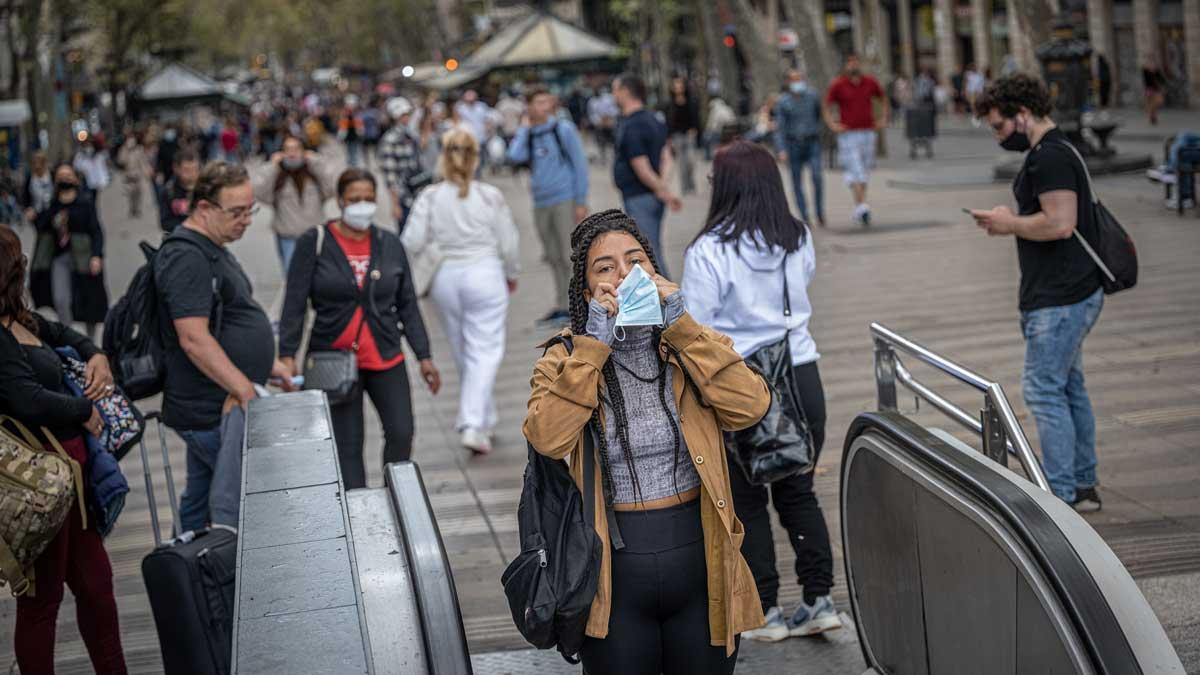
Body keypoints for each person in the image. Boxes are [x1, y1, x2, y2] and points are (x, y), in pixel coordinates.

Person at [523, 209, 771, 674]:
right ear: (587, 291)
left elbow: (750, 406)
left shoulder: (687, 343)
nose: (624, 275)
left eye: (636, 261)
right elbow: (548, 438)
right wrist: (593, 345)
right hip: (613, 575)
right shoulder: (565, 358)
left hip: (700, 560)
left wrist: (681, 325)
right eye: (605, 268)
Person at [681, 140, 842, 643]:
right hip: (800, 372)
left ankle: (765, 610)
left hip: (739, 380)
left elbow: (697, 326)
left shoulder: (708, 250)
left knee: (746, 499)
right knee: (799, 491)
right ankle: (819, 600)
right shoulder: (797, 238)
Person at [969, 74, 1104, 511]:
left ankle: (1062, 495)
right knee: (1068, 387)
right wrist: (1011, 217)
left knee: (1045, 391)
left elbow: (1060, 222)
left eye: (999, 126)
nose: (997, 135)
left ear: (1021, 114)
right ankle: (1081, 485)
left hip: (1059, 296)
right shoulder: (1057, 149)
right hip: (1068, 291)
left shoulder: (1048, 157)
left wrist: (1009, 224)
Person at [0, 225, 128, 674]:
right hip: (36, 489)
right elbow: (26, 398)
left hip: (73, 485)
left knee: (97, 587)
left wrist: (96, 355)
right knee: (42, 600)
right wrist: (83, 406)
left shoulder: (19, 319)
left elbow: (68, 336)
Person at [279, 168, 441, 489]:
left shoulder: (389, 244)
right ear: (339, 201)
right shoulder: (315, 242)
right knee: (347, 446)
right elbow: (294, 303)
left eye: (369, 198)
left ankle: (393, 498)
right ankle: (357, 513)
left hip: (384, 354)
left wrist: (424, 355)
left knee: (401, 432)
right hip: (332, 358)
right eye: (355, 199)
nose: (362, 205)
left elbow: (407, 303)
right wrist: (286, 354)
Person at [155, 161, 295, 531]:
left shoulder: (211, 244)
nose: (246, 220)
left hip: (216, 405)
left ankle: (184, 576)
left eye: (251, 210)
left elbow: (224, 321)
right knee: (249, 502)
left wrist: (267, 367)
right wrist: (243, 388)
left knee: (199, 505)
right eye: (237, 212)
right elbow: (193, 338)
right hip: (213, 408)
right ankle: (217, 574)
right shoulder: (187, 257)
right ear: (204, 209)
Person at [402, 129, 519, 454]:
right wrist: (512, 273)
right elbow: (509, 243)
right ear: (475, 157)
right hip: (485, 273)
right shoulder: (489, 195)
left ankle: (485, 419)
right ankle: (471, 422)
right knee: (485, 350)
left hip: (445, 278)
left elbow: (410, 241)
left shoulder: (430, 196)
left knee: (462, 349)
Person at [506, 85, 590, 327]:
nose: (544, 107)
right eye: (538, 102)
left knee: (568, 254)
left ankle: (577, 305)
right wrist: (524, 128)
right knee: (552, 256)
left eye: (546, 101)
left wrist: (581, 200)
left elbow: (579, 164)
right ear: (529, 106)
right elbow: (514, 156)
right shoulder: (530, 133)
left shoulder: (562, 129)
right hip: (541, 202)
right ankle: (562, 304)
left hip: (564, 198)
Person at [29, 164, 108, 339]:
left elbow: (96, 231)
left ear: (75, 179)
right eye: (61, 176)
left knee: (89, 300)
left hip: (84, 257)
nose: (65, 179)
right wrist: (37, 215)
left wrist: (97, 255)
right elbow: (41, 227)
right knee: (61, 299)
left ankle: (91, 340)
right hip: (60, 258)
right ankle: (70, 339)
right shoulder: (52, 204)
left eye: (68, 175)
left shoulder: (85, 202)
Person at [612, 73, 680, 274]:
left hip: (640, 196)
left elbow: (640, 165)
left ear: (625, 92)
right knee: (652, 248)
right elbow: (666, 156)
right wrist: (663, 186)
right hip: (651, 195)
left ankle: (667, 300)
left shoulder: (632, 125)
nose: (613, 96)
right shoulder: (654, 119)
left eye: (615, 90)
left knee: (648, 254)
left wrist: (661, 190)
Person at [251, 135, 335, 275]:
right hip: (288, 237)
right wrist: (272, 166)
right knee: (292, 277)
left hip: (315, 236)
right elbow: (259, 192)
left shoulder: (313, 175)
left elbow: (332, 187)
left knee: (319, 277)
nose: (292, 153)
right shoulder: (278, 177)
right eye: (287, 149)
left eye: (296, 149)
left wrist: (315, 161)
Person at [823, 53, 889, 227]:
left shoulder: (870, 82)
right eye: (850, 63)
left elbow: (882, 98)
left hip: (868, 131)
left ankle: (860, 206)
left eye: (856, 62)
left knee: (864, 170)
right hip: (848, 134)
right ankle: (862, 206)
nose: (853, 66)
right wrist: (832, 124)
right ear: (846, 66)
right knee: (855, 168)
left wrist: (883, 118)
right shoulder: (838, 85)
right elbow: (827, 105)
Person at [775, 69, 827, 227]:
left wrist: (818, 132)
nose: (798, 83)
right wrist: (781, 149)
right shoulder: (783, 102)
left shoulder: (812, 96)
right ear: (788, 83)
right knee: (796, 181)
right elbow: (780, 128)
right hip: (793, 144)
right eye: (794, 80)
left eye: (800, 79)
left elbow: (819, 115)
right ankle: (804, 216)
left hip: (812, 142)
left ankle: (819, 212)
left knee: (817, 176)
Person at [378, 97, 425, 231]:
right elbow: (390, 176)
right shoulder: (390, 140)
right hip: (403, 197)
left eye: (408, 114)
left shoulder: (411, 135)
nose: (407, 117)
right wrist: (395, 204)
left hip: (417, 193)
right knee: (405, 234)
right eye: (404, 115)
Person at [664, 77, 700, 195]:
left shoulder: (691, 101)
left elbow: (696, 117)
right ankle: (685, 187)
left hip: (689, 133)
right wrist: (668, 138)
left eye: (680, 86)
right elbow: (668, 122)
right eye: (676, 86)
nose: (678, 88)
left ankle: (691, 184)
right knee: (681, 162)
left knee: (690, 160)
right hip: (677, 135)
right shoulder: (670, 103)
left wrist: (694, 129)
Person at [156, 148, 201, 233]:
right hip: (180, 238)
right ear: (176, 169)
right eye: (186, 170)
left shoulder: (206, 190)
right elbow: (165, 223)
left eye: (195, 169)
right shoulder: (168, 191)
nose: (191, 174)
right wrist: (190, 226)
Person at [117, 132, 153, 219]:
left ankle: (137, 209)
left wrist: (147, 172)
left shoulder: (139, 150)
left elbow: (143, 162)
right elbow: (121, 161)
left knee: (139, 193)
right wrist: (125, 150)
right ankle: (132, 208)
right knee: (130, 194)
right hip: (128, 177)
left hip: (138, 176)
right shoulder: (123, 150)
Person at [587, 86, 619, 164]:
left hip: (610, 123)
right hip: (599, 125)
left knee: (615, 141)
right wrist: (598, 121)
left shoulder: (608, 98)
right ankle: (603, 158)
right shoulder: (591, 101)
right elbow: (591, 114)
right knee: (601, 142)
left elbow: (615, 109)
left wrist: (609, 117)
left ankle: (616, 157)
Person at [20, 150, 54, 223]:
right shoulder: (29, 178)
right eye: (34, 162)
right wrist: (28, 209)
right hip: (36, 213)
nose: (37, 165)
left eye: (40, 162)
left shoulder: (52, 175)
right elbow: (25, 196)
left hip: (51, 212)